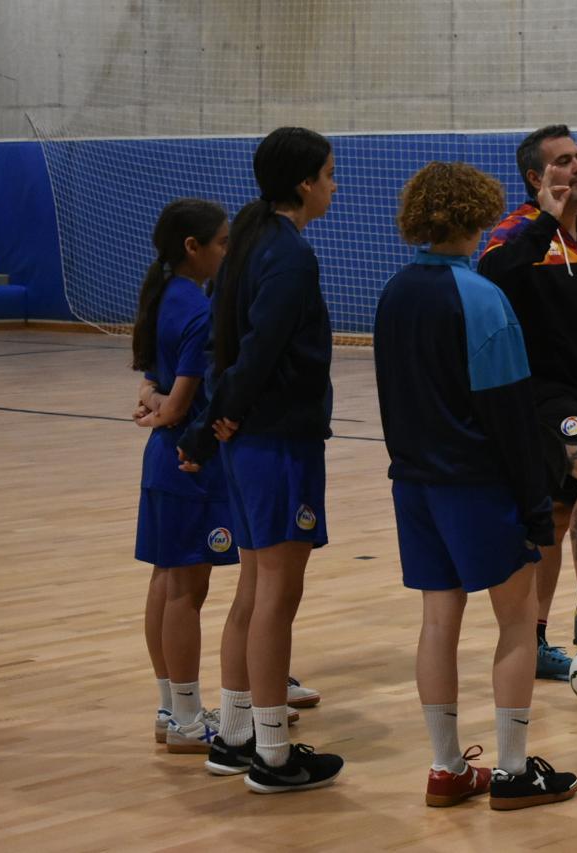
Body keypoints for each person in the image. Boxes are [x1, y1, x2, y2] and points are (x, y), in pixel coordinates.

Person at [375, 160, 577, 810]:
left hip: (414, 484)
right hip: (475, 486)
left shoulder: (393, 292)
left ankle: (444, 767)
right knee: (518, 622)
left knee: (438, 621)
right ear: (480, 214)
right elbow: (512, 418)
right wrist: (534, 504)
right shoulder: (482, 297)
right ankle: (515, 771)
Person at [177, 126, 343, 792]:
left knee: (253, 586)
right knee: (277, 592)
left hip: (253, 441)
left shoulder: (250, 241)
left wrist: (211, 425)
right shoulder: (288, 254)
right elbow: (260, 349)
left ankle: (237, 733)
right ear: (304, 182)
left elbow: (228, 347)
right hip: (276, 441)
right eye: (330, 174)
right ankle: (273, 753)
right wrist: (217, 420)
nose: (336, 185)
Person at [478, 124, 577, 682]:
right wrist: (546, 219)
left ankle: (538, 638)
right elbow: (492, 277)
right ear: (535, 177)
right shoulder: (515, 232)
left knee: (557, 515)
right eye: (563, 162)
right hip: (539, 396)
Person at [130, 198, 236, 753]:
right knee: (186, 592)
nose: (227, 250)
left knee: (165, 583)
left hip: (160, 460)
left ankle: (172, 708)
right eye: (220, 242)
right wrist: (161, 407)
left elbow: (151, 386)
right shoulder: (197, 310)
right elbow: (178, 406)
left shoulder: (164, 295)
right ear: (193, 248)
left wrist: (151, 402)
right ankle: (191, 722)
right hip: (189, 465)